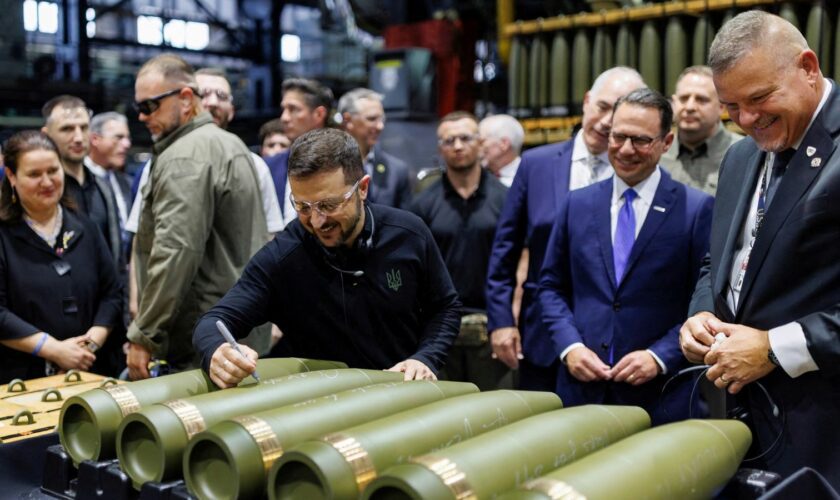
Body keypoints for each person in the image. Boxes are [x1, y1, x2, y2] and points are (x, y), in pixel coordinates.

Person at [679, 11, 840, 487]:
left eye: (760, 98)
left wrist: (774, 347)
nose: (747, 120)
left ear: (808, 68)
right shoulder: (740, 154)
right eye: (731, 106)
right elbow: (722, 261)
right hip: (742, 419)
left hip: (826, 427)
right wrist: (701, 313)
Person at [193, 128, 461, 388]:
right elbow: (213, 322)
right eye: (303, 207)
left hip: (406, 392)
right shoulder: (283, 257)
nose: (317, 221)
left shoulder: (408, 234)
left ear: (362, 189)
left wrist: (424, 358)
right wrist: (217, 351)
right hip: (324, 407)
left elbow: (445, 307)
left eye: (328, 205)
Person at [539, 88, 713, 424]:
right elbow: (550, 286)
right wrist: (569, 347)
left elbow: (703, 301)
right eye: (618, 137)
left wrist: (659, 356)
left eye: (641, 140)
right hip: (582, 392)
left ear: (666, 142)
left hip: (661, 396)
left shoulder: (695, 209)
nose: (626, 150)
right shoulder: (577, 204)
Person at [486, 67, 645, 391]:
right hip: (542, 338)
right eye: (602, 106)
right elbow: (505, 249)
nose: (605, 121)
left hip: (616, 342)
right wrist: (501, 321)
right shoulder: (536, 165)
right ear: (586, 101)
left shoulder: (641, 172)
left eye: (617, 113)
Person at [126, 53, 268, 379]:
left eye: (150, 106)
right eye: (139, 107)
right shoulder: (230, 145)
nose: (143, 117)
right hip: (236, 329)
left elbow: (176, 251)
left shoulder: (186, 157)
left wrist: (144, 333)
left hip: (204, 341)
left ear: (186, 98)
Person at [0, 131, 121, 382]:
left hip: (91, 371)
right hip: (22, 380)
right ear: (11, 176)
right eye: (34, 174)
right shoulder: (4, 235)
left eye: (53, 171)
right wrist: (54, 350)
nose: (47, 182)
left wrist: (87, 347)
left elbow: (112, 294)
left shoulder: (85, 227)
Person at [410, 112, 511, 390]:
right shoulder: (422, 206)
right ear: (439, 149)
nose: (457, 145)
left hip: (494, 326)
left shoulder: (507, 198)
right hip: (440, 328)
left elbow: (520, 263)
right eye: (448, 140)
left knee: (495, 414)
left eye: (465, 138)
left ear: (480, 143)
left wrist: (511, 321)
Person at [195, 67, 283, 234]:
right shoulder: (164, 161)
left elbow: (271, 233)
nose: (213, 102)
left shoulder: (255, 166)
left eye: (222, 96)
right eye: (203, 94)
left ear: (231, 112)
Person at [41, 96, 121, 266]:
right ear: (46, 135)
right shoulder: (42, 189)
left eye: (84, 128)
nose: (78, 137)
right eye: (67, 129)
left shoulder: (103, 187)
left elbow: (115, 253)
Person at [660, 66, 742, 195]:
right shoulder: (658, 154)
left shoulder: (744, 155)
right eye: (684, 98)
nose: (690, 107)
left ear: (721, 107)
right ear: (674, 103)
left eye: (701, 99)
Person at [265, 78, 334, 227]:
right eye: (283, 109)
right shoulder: (268, 166)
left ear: (319, 114)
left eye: (293, 109)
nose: (284, 118)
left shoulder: (342, 167)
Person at [338, 88, 413, 209]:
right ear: (347, 120)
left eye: (381, 119)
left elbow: (406, 221)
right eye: (372, 119)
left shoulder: (397, 171)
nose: (380, 126)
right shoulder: (328, 166)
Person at [86, 112, 133, 235]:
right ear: (95, 139)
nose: (127, 144)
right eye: (118, 137)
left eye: (128, 138)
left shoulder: (128, 183)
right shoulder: (78, 181)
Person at [478, 114, 525, 187]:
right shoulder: (476, 177)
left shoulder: (529, 177)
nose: (477, 147)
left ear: (504, 144)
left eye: (482, 141)